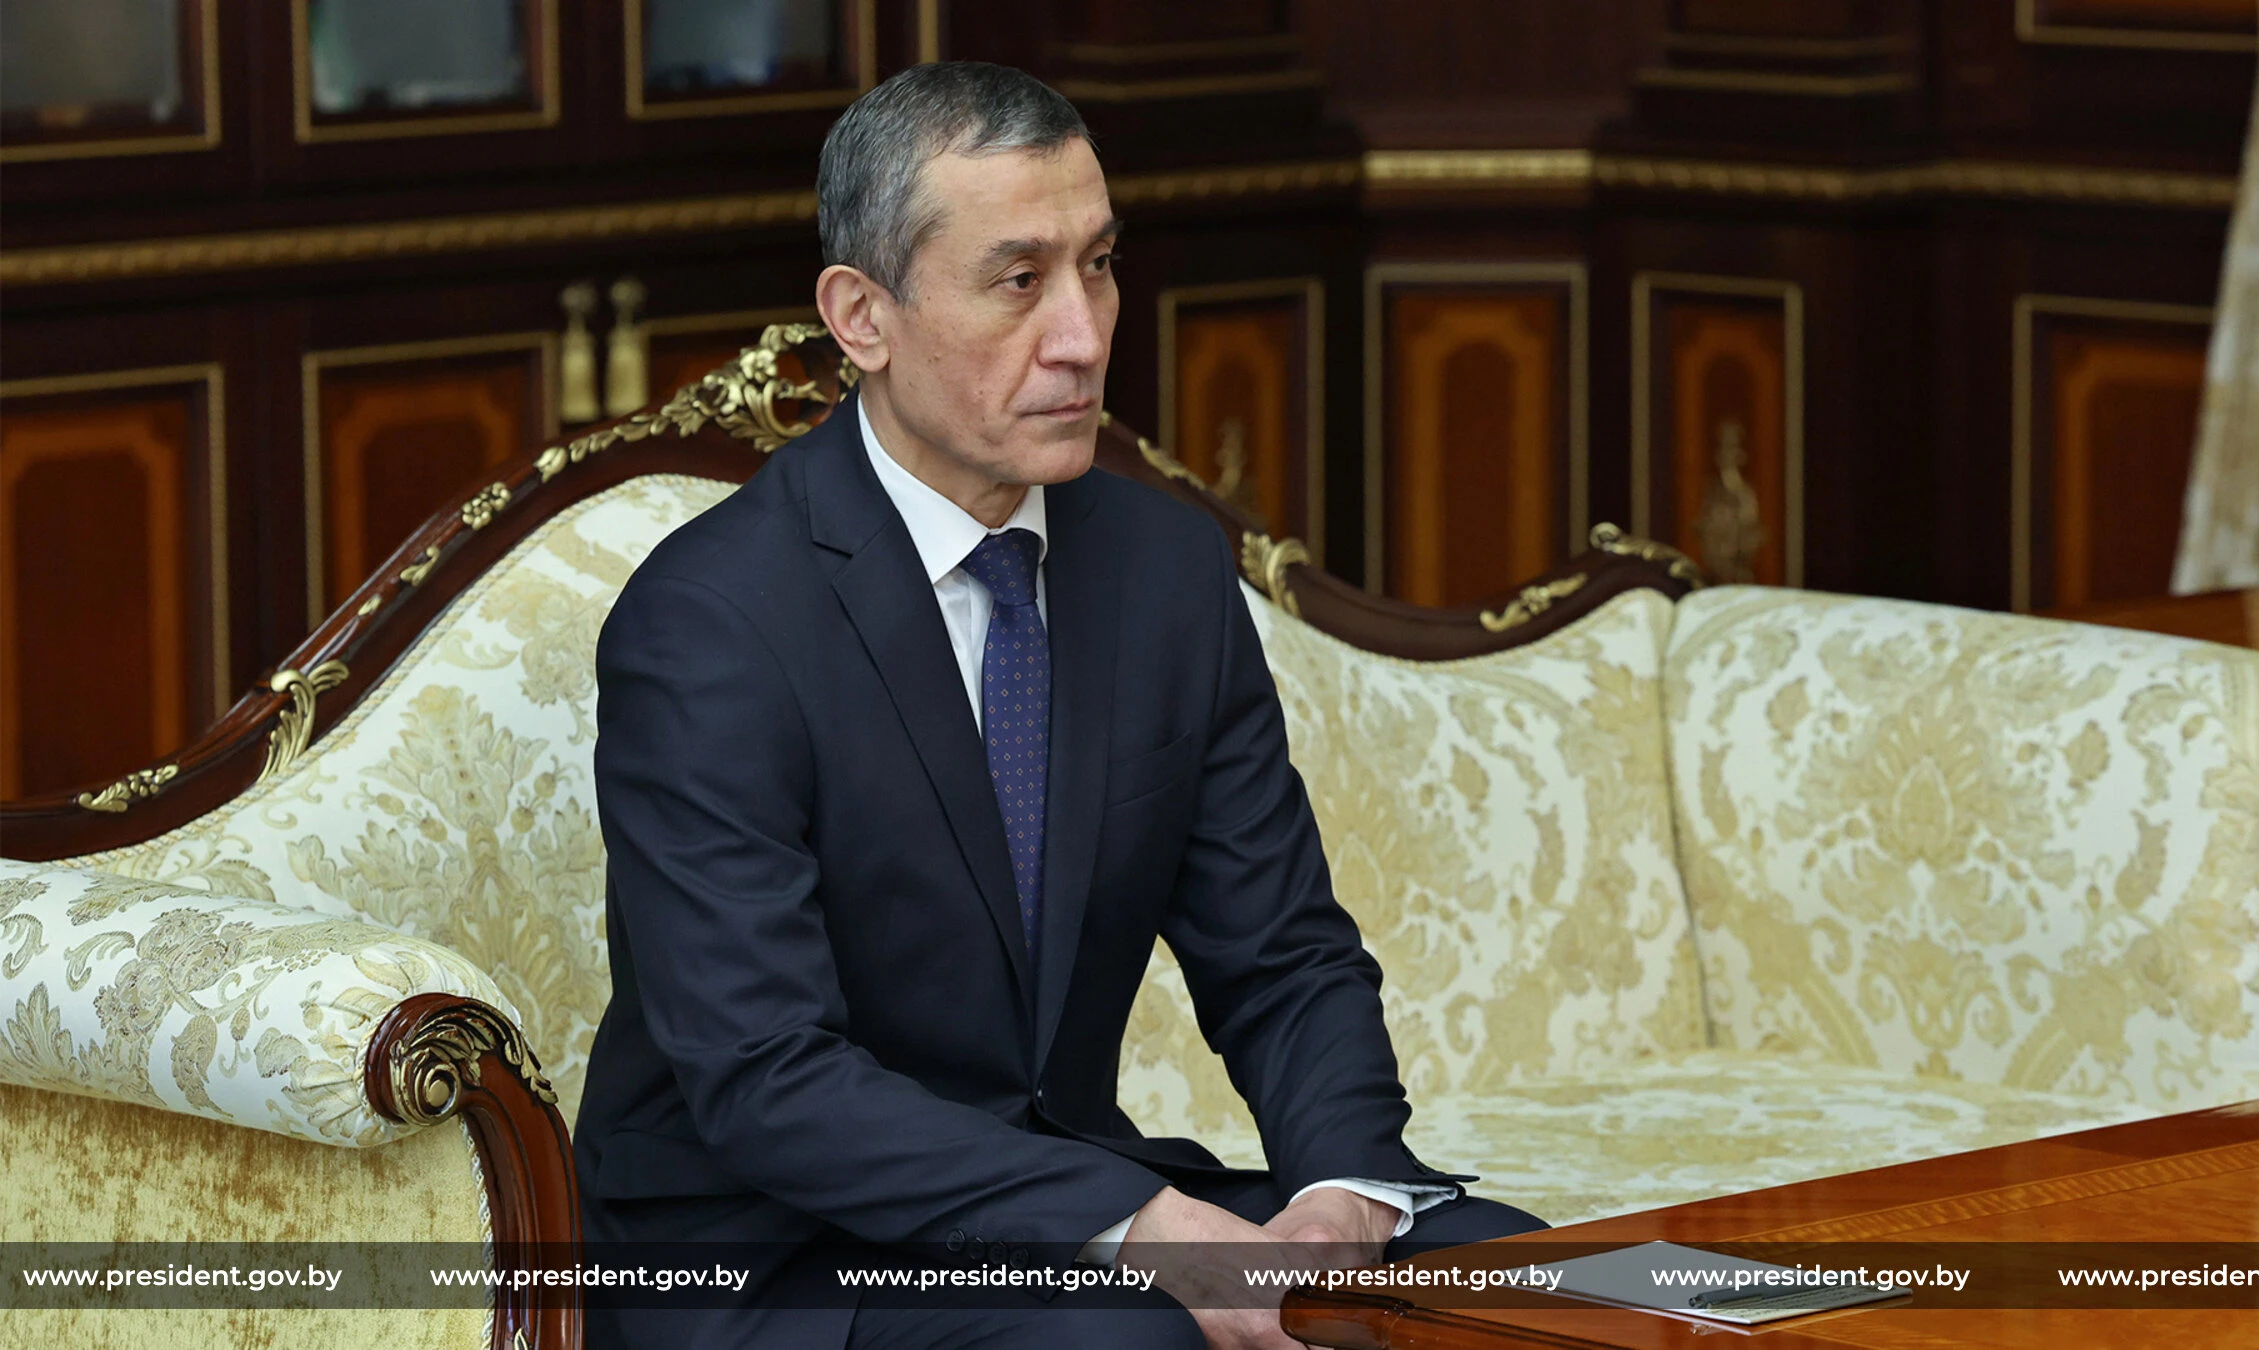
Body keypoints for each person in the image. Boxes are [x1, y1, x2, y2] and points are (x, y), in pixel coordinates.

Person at [574, 61, 1546, 1350]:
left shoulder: (1163, 569)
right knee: (1132, 1339)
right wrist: (1144, 1230)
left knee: (1521, 1283)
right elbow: (768, 1078)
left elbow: (1281, 957)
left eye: (1099, 266)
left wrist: (1338, 1196)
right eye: (1020, 281)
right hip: (770, 1252)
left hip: (1055, 1206)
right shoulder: (711, 623)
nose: (1083, 336)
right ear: (862, 316)